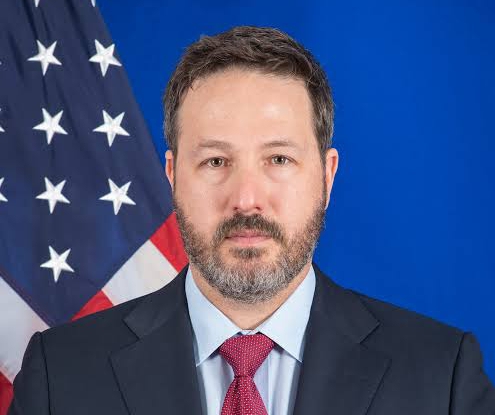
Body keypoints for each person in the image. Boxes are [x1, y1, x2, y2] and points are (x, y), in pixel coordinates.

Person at [8, 25, 495, 415]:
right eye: (215, 161)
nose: (245, 199)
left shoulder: (442, 377)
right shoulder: (60, 375)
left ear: (327, 177)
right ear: (172, 177)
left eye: (279, 159)